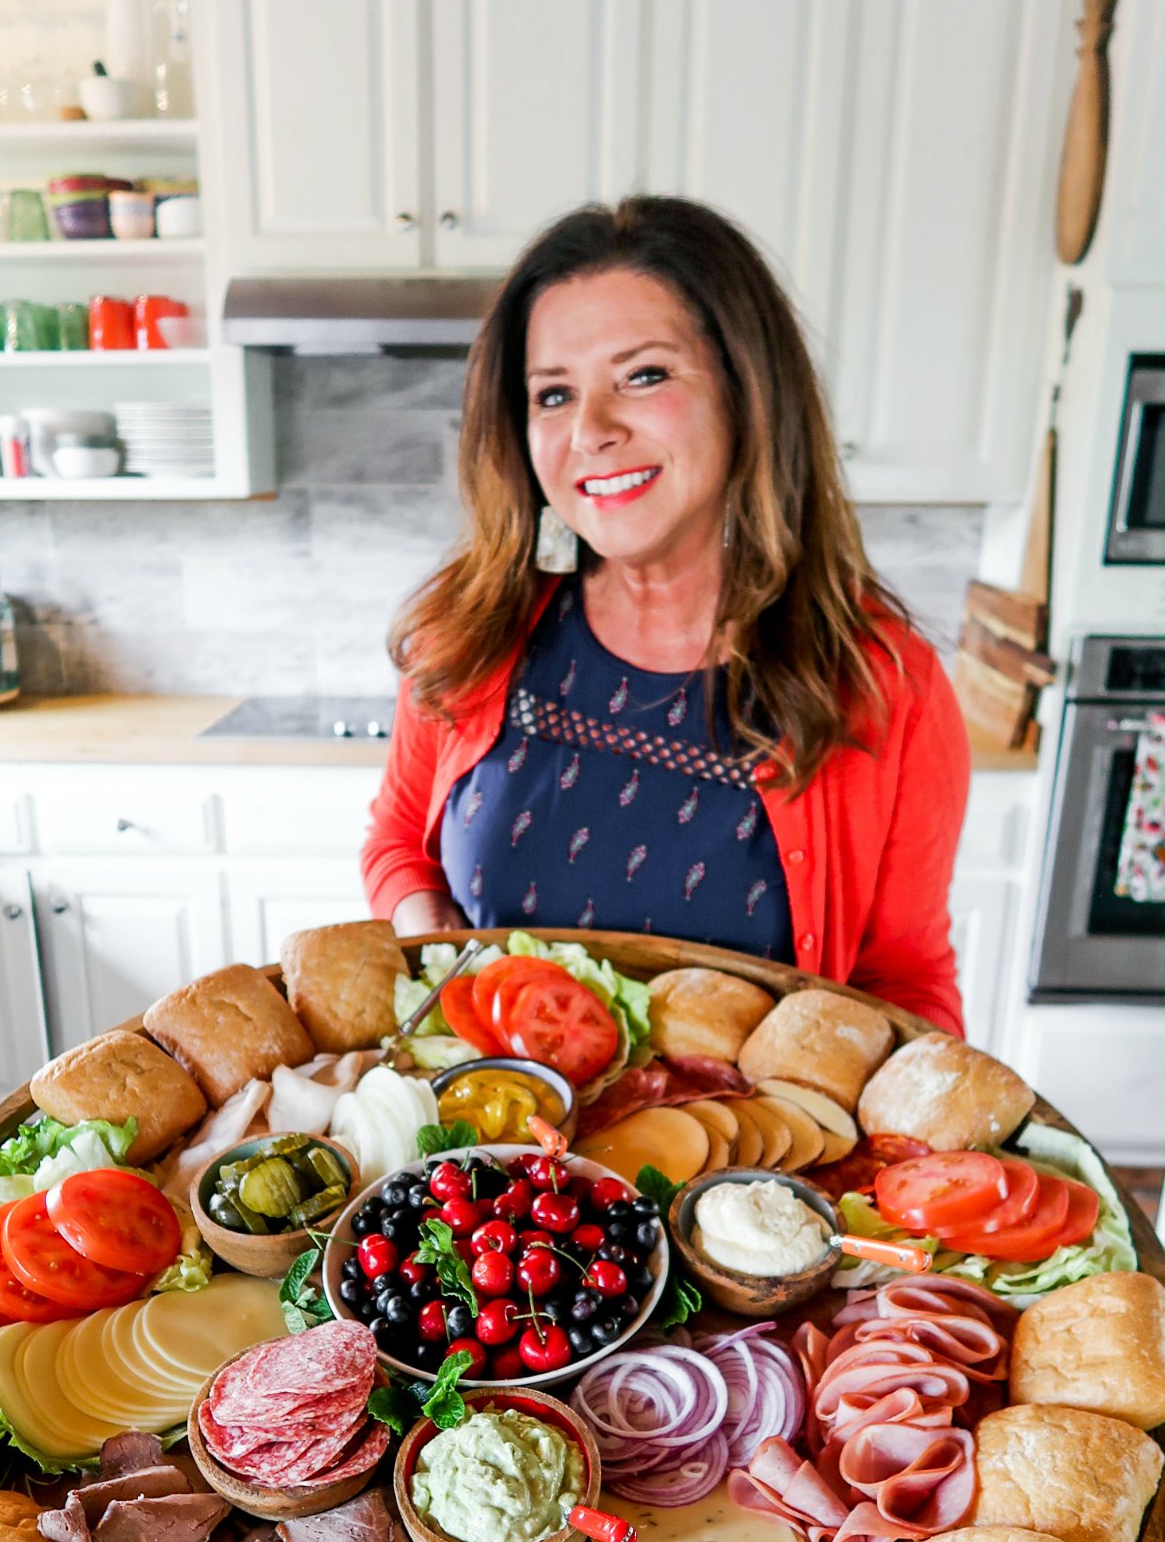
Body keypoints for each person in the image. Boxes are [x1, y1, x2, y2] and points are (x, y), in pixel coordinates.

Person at [360, 195, 970, 1034]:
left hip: (738, 1161)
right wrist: (426, 928)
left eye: (644, 376)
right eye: (553, 395)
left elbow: (905, 983)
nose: (591, 430)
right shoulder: (470, 630)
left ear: (746, 391)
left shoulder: (880, 683)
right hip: (494, 1143)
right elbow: (398, 839)